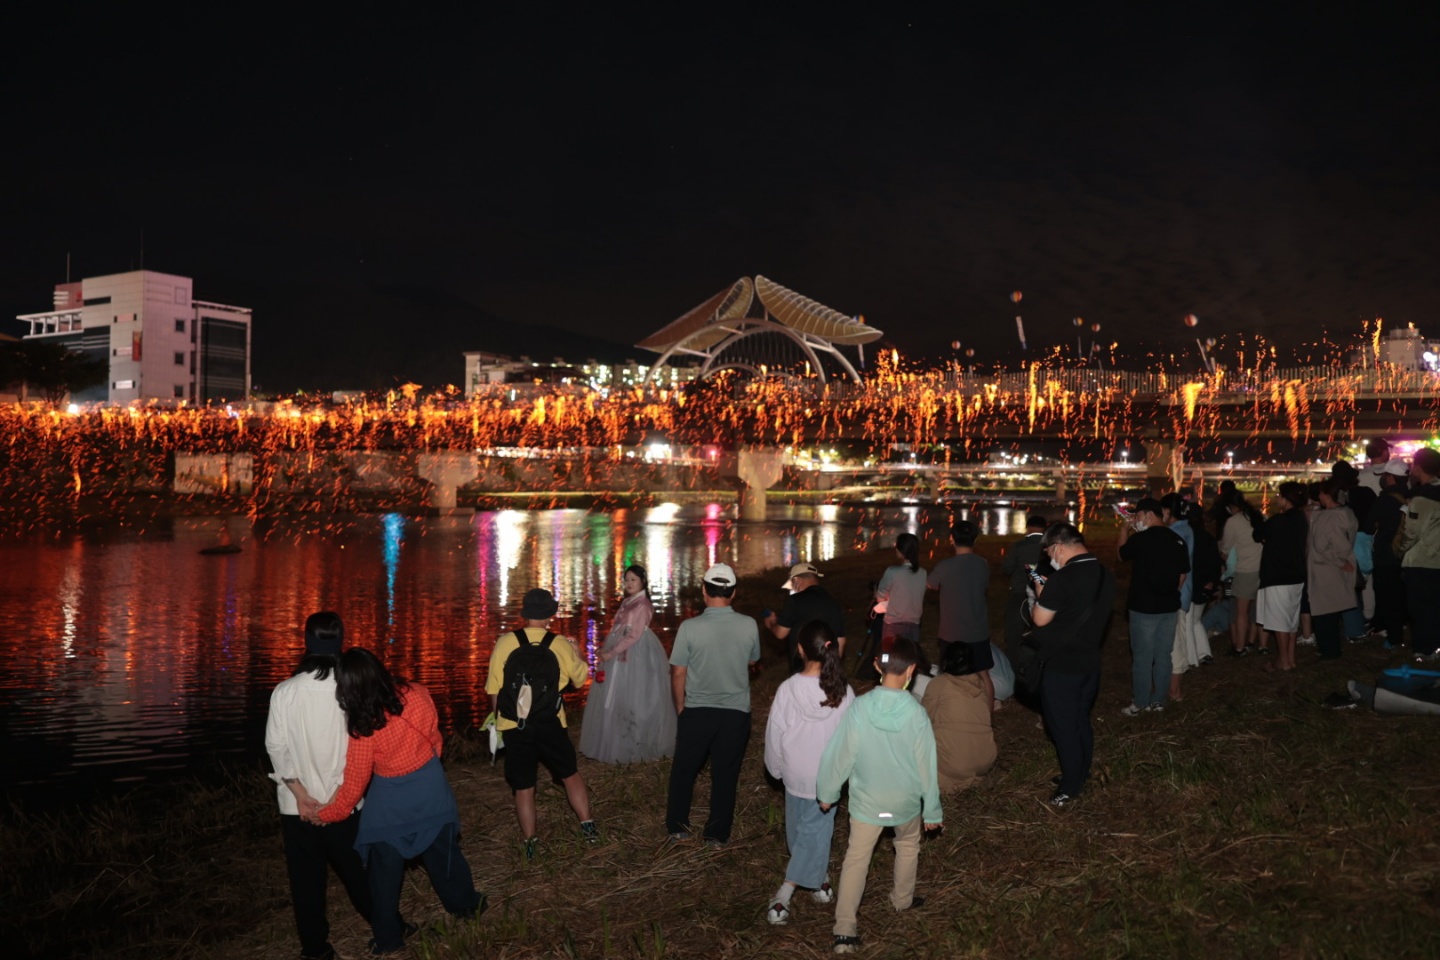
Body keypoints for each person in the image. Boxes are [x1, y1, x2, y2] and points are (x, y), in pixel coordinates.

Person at [315, 649, 483, 955]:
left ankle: (389, 938)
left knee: (383, 872)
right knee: (444, 853)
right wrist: (426, 764)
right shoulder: (418, 694)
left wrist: (329, 813)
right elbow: (435, 738)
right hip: (430, 785)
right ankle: (467, 906)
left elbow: (355, 782)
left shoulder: (363, 726)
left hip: (391, 803)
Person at [816, 636, 942, 955]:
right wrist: (932, 813)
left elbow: (841, 753)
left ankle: (844, 930)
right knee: (907, 844)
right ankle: (902, 900)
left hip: (867, 804)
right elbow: (927, 765)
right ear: (912, 670)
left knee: (856, 859)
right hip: (905, 803)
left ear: (876, 666)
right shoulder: (916, 713)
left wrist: (828, 791)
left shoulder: (860, 707)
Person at [264, 612, 378, 960]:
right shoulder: (351, 688)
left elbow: (275, 747)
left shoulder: (285, 691)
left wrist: (302, 796)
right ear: (340, 641)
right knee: (359, 873)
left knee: (306, 881)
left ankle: (316, 949)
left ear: (307, 642)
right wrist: (336, 801)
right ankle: (389, 926)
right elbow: (363, 742)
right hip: (345, 802)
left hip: (297, 807)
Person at [485, 588, 598, 861]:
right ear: (550, 615)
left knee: (524, 785)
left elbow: (494, 690)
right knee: (570, 774)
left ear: (525, 614)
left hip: (515, 724)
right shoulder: (559, 643)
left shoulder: (504, 643)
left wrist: (499, 723)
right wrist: (578, 651)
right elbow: (580, 679)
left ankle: (530, 842)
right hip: (550, 721)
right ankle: (587, 826)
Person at [762, 620, 855, 925]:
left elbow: (775, 733)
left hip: (795, 773)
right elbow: (851, 737)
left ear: (800, 650)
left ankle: (784, 894)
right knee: (805, 835)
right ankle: (819, 878)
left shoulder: (787, 690)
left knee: (806, 833)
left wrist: (774, 768)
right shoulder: (843, 691)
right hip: (827, 778)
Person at [667, 563, 761, 846]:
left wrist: (681, 707)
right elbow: (753, 660)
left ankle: (677, 827)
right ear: (733, 593)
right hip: (735, 713)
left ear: (704, 590)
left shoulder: (689, 627)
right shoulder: (749, 625)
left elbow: (678, 672)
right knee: (725, 773)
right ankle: (717, 834)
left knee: (684, 769)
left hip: (697, 710)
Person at [1029, 522, 1116, 806]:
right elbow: (1075, 609)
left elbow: (1040, 619)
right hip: (1090, 661)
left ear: (1059, 546)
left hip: (1062, 664)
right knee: (1080, 720)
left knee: (1062, 726)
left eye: (1050, 552)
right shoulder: (1104, 574)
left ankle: (1070, 786)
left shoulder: (1064, 578)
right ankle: (1081, 771)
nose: (1050, 558)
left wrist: (1038, 590)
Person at [580, 564, 676, 763]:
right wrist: (606, 649)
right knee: (616, 694)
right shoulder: (627, 602)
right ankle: (617, 740)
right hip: (621, 648)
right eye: (626, 580)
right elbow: (619, 629)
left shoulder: (643, 604)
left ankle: (638, 742)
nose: (629, 583)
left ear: (642, 582)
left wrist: (612, 652)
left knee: (636, 695)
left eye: (633, 579)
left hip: (637, 653)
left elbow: (634, 635)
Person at [1117, 498, 1189, 715]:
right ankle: (1158, 701)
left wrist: (1124, 529)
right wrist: (1169, 593)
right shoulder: (1177, 540)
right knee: (1163, 654)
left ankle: (1140, 702)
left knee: (1142, 656)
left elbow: (1120, 555)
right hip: (1169, 607)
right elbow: (1183, 575)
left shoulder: (1141, 540)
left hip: (1143, 607)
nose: (1136, 521)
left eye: (1138, 517)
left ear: (1148, 515)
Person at [927, 519, 996, 711]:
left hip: (951, 631)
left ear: (952, 539)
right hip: (977, 630)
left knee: (948, 675)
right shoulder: (982, 564)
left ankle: (949, 711)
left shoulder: (945, 565)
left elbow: (931, 584)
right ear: (975, 540)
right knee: (984, 675)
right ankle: (987, 715)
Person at [920, 641, 996, 793]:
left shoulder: (940, 684)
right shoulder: (980, 683)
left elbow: (922, 719)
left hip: (954, 763)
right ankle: (968, 779)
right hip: (986, 760)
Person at [1161, 493, 1211, 701]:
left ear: (1166, 511)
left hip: (1178, 594)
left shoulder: (1178, 532)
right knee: (1175, 639)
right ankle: (1173, 687)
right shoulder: (1184, 529)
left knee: (1175, 642)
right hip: (1182, 593)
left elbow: (1175, 568)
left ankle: (1175, 690)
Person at [1255, 482, 1310, 672]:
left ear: (1286, 499)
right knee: (1291, 620)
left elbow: (1258, 533)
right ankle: (1291, 658)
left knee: (1279, 621)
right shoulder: (1301, 519)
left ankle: (1283, 661)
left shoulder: (1279, 520)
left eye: (1279, 495)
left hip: (1277, 575)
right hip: (1296, 575)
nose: (1277, 498)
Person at [1307, 478, 1359, 661]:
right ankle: (1332, 649)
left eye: (1321, 493)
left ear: (1327, 495)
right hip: (1341, 566)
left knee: (1323, 614)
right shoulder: (1347, 513)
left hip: (1325, 569)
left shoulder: (1327, 517)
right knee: (1334, 610)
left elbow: (1320, 547)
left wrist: (1339, 561)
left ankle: (1329, 651)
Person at [1399, 448, 1440, 661]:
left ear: (1417, 467)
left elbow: (1411, 533)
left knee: (1420, 609)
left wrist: (1398, 552)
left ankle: (1424, 650)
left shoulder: (1421, 497)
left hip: (1420, 560)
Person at [1366, 457, 1410, 647]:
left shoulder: (1385, 499)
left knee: (1386, 596)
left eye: (1384, 475)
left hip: (1386, 555)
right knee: (1401, 594)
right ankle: (1401, 627)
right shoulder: (1411, 496)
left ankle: (1393, 637)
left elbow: (1368, 525)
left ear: (1390, 477)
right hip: (1406, 553)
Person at [765, 562, 847, 659]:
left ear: (797, 580)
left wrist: (771, 623)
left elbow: (780, 633)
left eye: (791, 583)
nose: (791, 587)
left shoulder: (795, 600)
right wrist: (835, 667)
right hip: (828, 665)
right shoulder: (833, 601)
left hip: (803, 666)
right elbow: (841, 640)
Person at [1219, 489, 1265, 655]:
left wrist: (1223, 555)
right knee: (1258, 610)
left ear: (1231, 506)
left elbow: (1225, 548)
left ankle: (1239, 647)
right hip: (1262, 570)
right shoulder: (1259, 516)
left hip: (1245, 570)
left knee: (1241, 612)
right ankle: (1259, 644)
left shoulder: (1233, 522)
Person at [1001, 514, 1049, 650]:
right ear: (1044, 529)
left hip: (1019, 592)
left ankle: (1014, 659)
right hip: (1044, 595)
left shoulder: (1019, 546)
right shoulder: (1049, 546)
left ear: (1028, 528)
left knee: (1013, 632)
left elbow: (1007, 568)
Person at [873, 533, 927, 644]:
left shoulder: (892, 571)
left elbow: (880, 597)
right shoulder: (923, 573)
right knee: (910, 657)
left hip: (893, 624)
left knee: (890, 657)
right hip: (914, 625)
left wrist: (880, 595)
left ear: (900, 550)